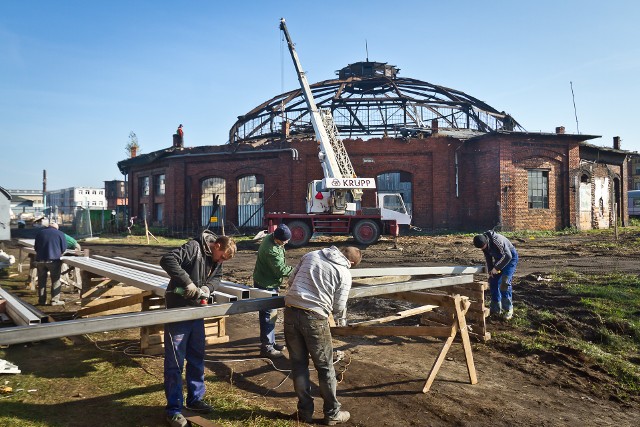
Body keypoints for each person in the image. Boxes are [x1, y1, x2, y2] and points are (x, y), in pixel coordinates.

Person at [160, 231, 237, 427]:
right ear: (216, 246)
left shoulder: (217, 260)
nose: (221, 261)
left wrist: (207, 289)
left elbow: (217, 277)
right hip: (178, 310)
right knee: (175, 362)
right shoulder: (194, 248)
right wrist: (188, 283)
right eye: (221, 256)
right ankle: (174, 410)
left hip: (196, 312)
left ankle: (195, 399)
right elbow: (167, 259)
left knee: (196, 357)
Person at [284, 245, 362, 425]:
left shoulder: (311, 254)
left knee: (298, 364)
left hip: (290, 311)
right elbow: (338, 306)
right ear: (351, 262)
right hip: (315, 318)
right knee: (325, 368)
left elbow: (290, 281)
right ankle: (332, 413)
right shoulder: (344, 272)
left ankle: (304, 411)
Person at [253, 223, 293, 358]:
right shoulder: (271, 251)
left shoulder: (272, 237)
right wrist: (296, 270)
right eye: (284, 241)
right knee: (268, 315)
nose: (286, 243)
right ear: (277, 239)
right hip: (266, 284)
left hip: (265, 280)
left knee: (270, 315)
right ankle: (267, 347)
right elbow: (280, 270)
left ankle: (271, 341)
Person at [473, 230, 519, 320]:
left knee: (504, 282)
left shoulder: (496, 240)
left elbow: (507, 256)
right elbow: (488, 257)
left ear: (486, 242)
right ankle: (496, 308)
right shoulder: (484, 244)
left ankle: (508, 309)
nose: (483, 249)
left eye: (483, 247)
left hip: (510, 259)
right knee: (493, 281)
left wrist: (496, 268)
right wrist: (490, 270)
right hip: (500, 259)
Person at [34, 221, 67, 306]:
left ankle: (42, 301)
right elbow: (63, 248)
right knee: (55, 280)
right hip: (54, 260)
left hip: (40, 260)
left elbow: (36, 247)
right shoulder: (60, 234)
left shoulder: (40, 233)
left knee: (41, 280)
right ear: (56, 227)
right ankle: (54, 300)